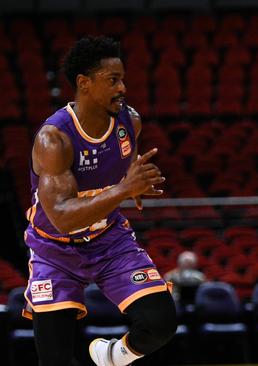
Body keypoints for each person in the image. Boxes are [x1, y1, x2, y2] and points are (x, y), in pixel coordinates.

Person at [24, 36, 176, 366]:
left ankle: (112, 356)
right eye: (113, 80)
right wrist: (123, 190)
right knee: (54, 359)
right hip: (55, 248)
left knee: (160, 323)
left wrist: (134, 187)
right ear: (84, 83)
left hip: (108, 240)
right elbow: (62, 216)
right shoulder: (54, 139)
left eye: (122, 78)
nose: (122, 87)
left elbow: (120, 176)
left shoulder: (129, 122)